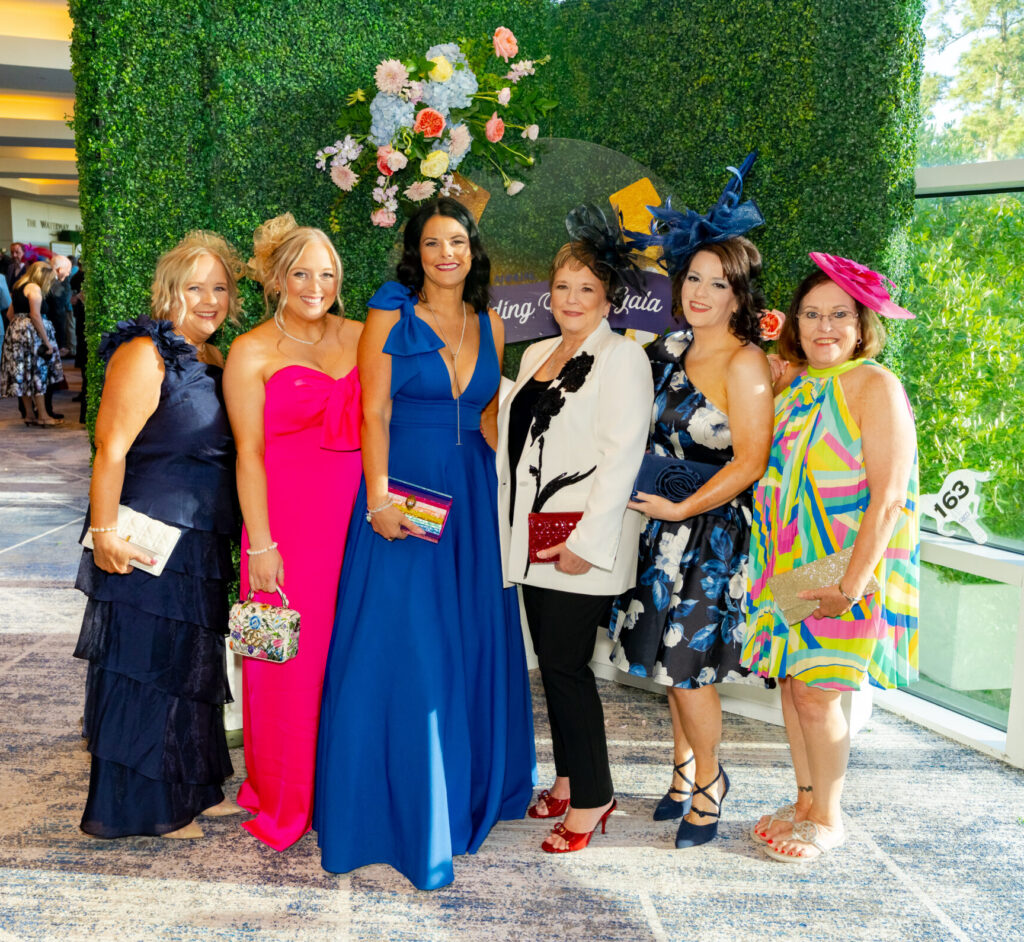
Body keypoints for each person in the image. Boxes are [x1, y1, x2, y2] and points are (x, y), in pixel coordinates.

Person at [314, 197, 536, 890]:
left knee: (466, 644)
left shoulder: (491, 322)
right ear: (417, 251)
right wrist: (377, 496)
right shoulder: (389, 312)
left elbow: (492, 419)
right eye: (435, 242)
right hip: (403, 496)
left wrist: (525, 503)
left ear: (473, 251)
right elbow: (374, 409)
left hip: (471, 499)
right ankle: (390, 814)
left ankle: (464, 796)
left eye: (459, 241)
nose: (449, 253)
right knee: (401, 650)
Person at [609, 156, 774, 848]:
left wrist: (684, 511)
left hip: (710, 535)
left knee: (690, 669)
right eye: (694, 278)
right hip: (661, 530)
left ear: (740, 297)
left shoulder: (746, 363)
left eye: (719, 283)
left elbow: (751, 461)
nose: (702, 292)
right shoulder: (668, 347)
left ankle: (711, 780)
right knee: (663, 665)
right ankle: (681, 773)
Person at [743, 252, 920, 862]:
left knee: (820, 695)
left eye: (838, 315)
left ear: (861, 323)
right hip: (789, 564)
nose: (824, 326)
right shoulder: (798, 385)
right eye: (811, 313)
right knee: (796, 688)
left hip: (844, 569)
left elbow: (890, 498)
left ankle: (829, 818)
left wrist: (852, 581)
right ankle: (804, 801)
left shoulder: (875, 385)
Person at [73, 231, 244, 839]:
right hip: (147, 541)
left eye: (220, 288)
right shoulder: (143, 353)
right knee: (147, 668)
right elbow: (110, 447)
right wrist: (105, 531)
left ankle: (195, 786)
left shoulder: (212, 360)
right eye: (195, 286)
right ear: (167, 290)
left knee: (191, 666)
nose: (209, 299)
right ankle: (145, 807)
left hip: (199, 543)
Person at [497, 205, 654, 854]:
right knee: (555, 665)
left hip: (580, 542)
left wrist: (583, 544)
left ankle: (592, 797)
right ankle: (567, 777)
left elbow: (620, 461)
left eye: (586, 288)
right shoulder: (535, 351)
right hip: (532, 535)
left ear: (609, 297)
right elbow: (516, 442)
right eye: (562, 286)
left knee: (565, 669)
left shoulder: (623, 358)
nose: (571, 298)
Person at [223, 214, 363, 851]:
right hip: (287, 531)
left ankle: (344, 792)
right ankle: (282, 796)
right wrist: (262, 545)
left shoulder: (365, 336)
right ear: (277, 279)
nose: (315, 285)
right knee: (287, 668)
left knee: (353, 664)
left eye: (327, 274)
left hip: (360, 525)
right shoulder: (251, 350)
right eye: (302, 273)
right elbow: (247, 453)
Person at [0, 260, 65, 426]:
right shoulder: (34, 288)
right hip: (32, 336)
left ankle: (29, 415)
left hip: (16, 334)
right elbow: (35, 316)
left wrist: (19, 328)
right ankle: (43, 416)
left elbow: (9, 314)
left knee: (23, 375)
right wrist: (47, 342)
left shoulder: (19, 286)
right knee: (37, 375)